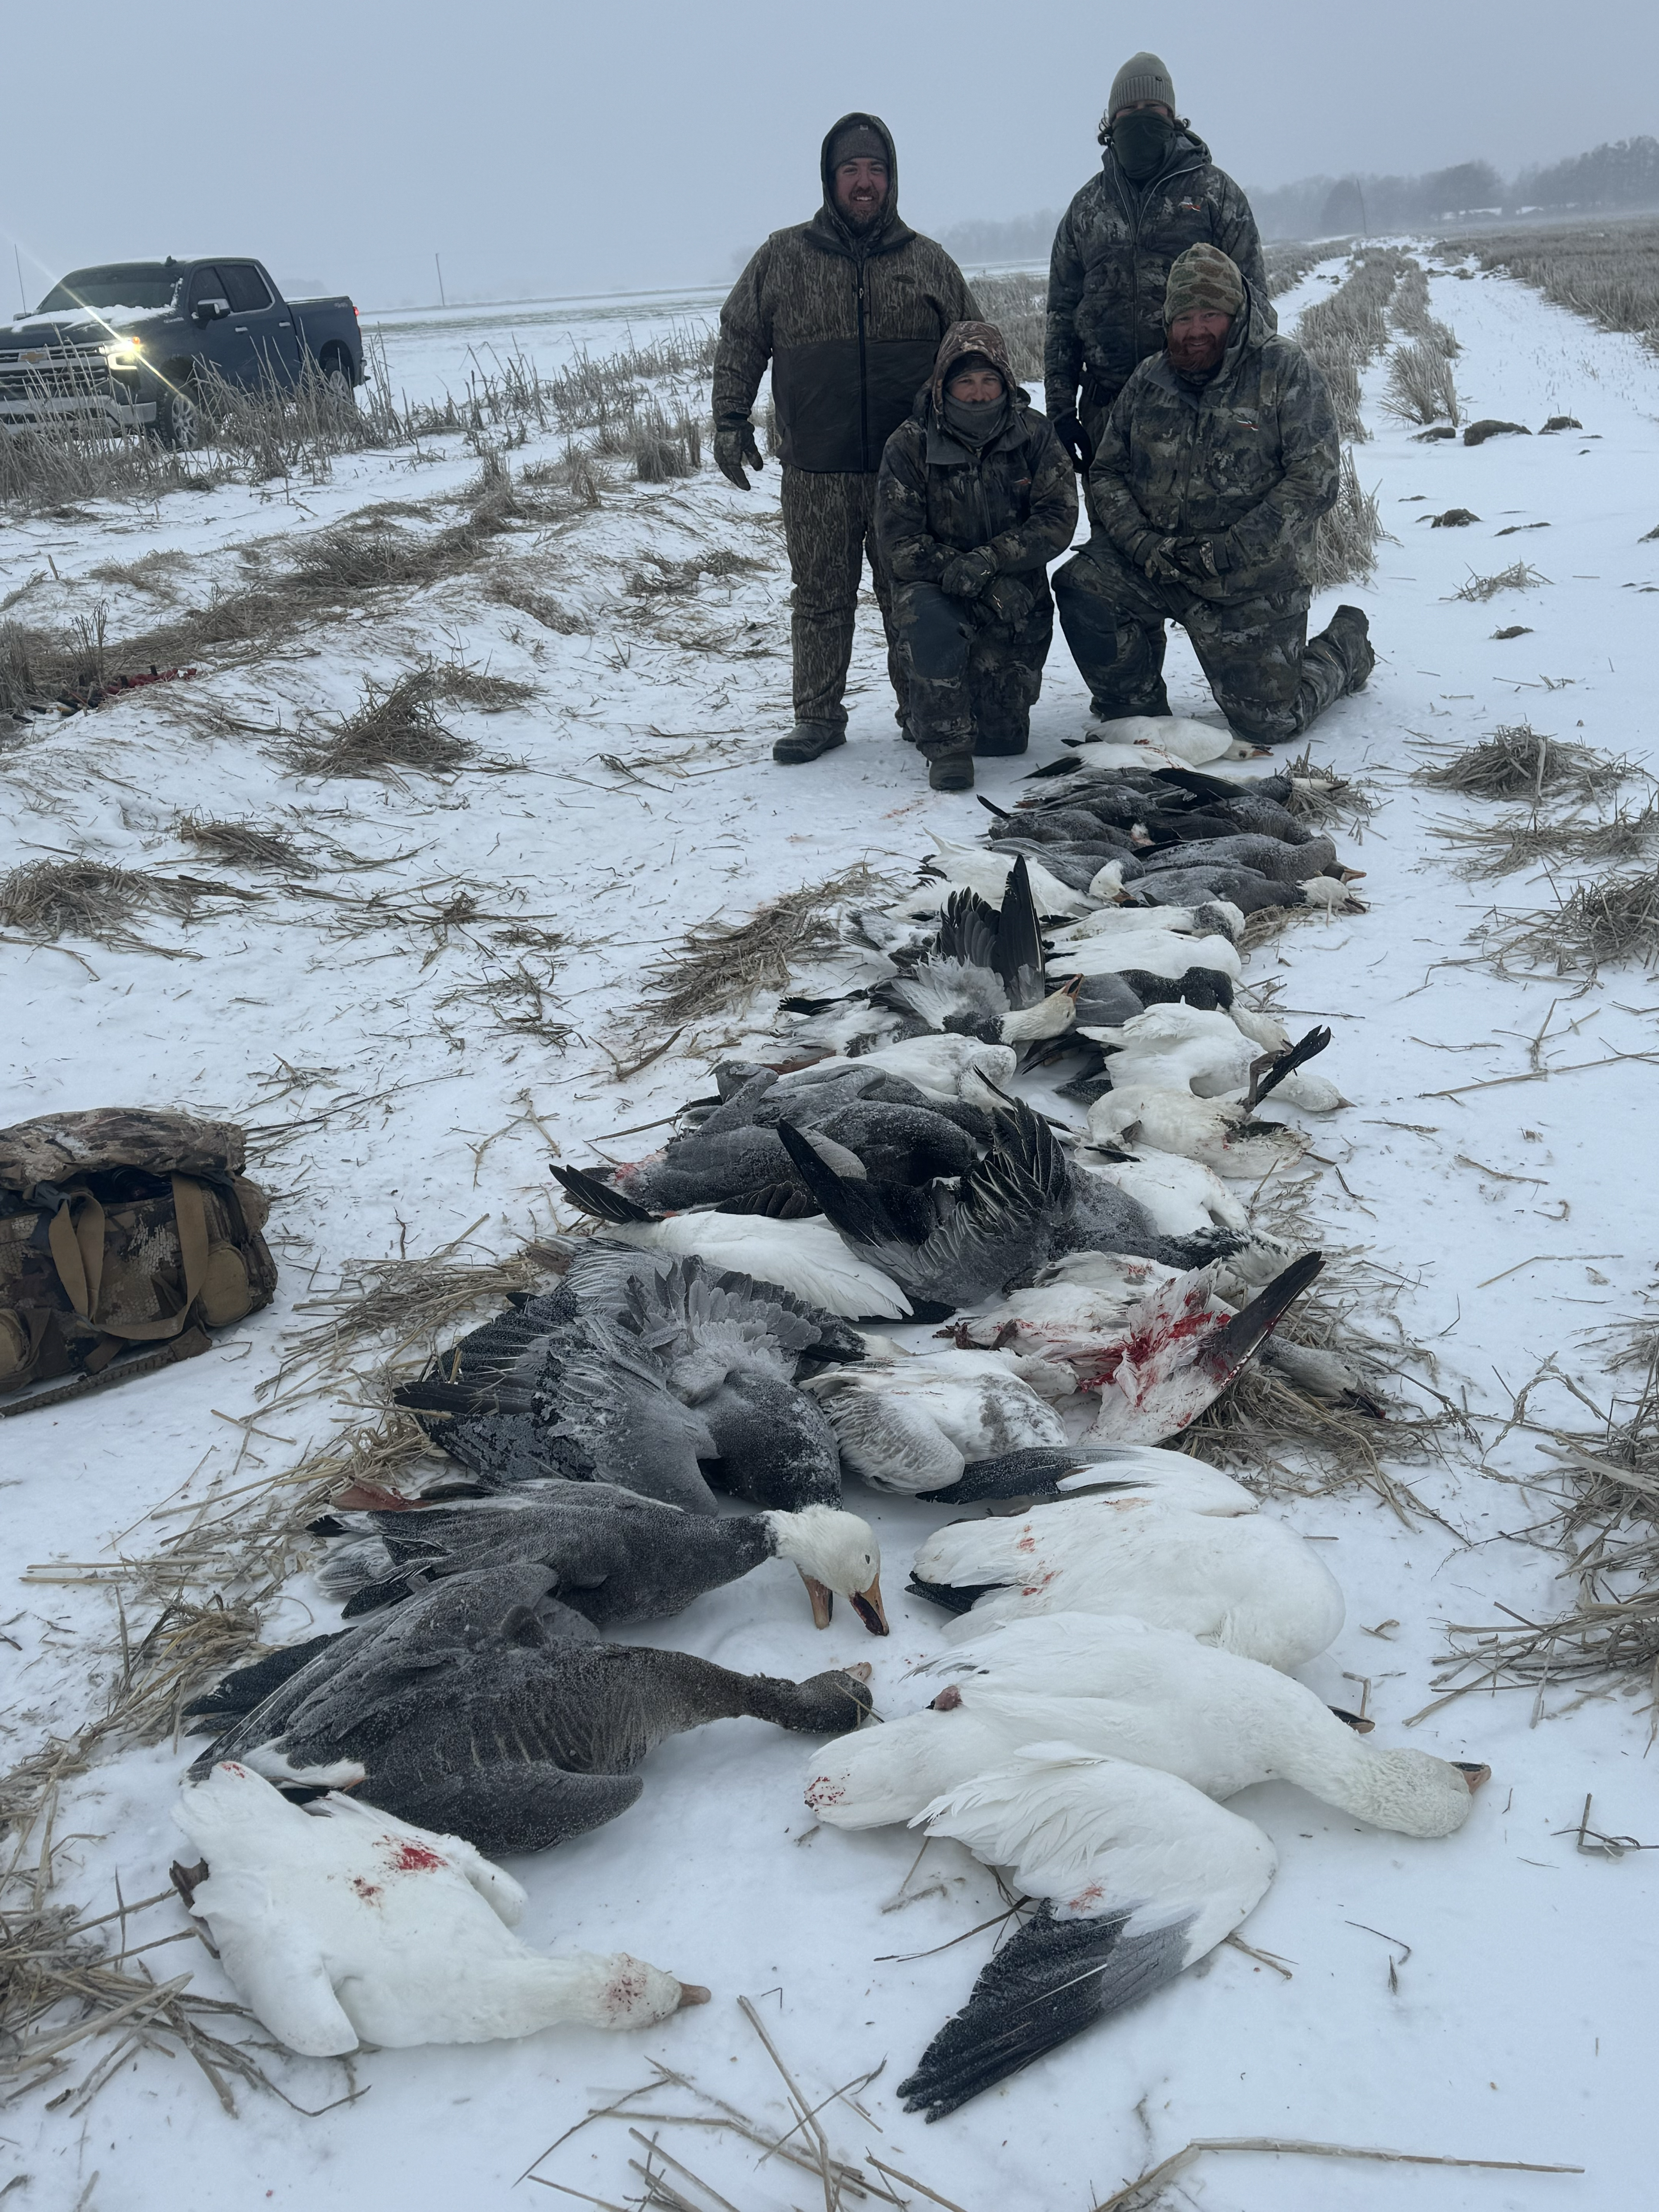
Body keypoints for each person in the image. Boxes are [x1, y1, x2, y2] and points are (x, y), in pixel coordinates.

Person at [713, 114, 978, 766]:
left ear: (891, 179)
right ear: (829, 179)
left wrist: (981, 441)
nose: (864, 182)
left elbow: (973, 351)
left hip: (908, 473)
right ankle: (817, 717)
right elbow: (741, 335)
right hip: (815, 469)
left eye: (876, 169)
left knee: (908, 596)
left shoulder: (927, 261)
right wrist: (728, 419)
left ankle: (921, 711)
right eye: (850, 170)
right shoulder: (782, 257)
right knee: (819, 599)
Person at [1052, 243, 1374, 743]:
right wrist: (1143, 545)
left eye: (1210, 314)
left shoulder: (1284, 372)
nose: (1195, 330)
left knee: (1268, 724)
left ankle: (1344, 648)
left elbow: (1316, 481)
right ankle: (1134, 704)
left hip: (1248, 580)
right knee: (1082, 585)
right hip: (1159, 567)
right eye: (1183, 317)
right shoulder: (1147, 379)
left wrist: (1229, 551)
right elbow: (1107, 471)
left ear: (1237, 314)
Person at [1045, 52, 1271, 474]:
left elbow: (1255, 303)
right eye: (1128, 110)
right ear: (1111, 122)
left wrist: (1240, 400)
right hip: (1105, 413)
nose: (1139, 117)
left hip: (1196, 408)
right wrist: (1061, 409)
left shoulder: (1216, 195)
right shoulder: (1086, 209)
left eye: (1152, 108)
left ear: (1173, 116)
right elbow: (1062, 314)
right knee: (1112, 536)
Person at [876, 322, 1077, 792]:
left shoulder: (1035, 434)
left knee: (1005, 741)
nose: (979, 392)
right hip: (938, 589)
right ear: (943, 385)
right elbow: (900, 547)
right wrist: (971, 573)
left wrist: (993, 559)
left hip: (1014, 589)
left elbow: (1058, 518)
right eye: (965, 381)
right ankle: (946, 748)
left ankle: (973, 714)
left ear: (1006, 380)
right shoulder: (909, 444)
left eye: (989, 380)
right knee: (927, 616)